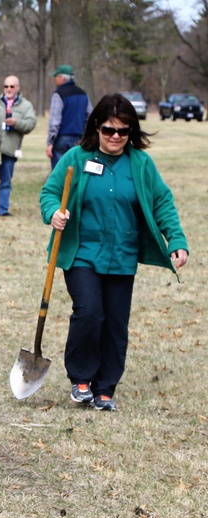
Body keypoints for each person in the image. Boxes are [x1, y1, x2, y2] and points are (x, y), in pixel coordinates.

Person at [40, 94, 189, 412]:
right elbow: (50, 192)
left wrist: (176, 240)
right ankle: (81, 379)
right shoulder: (77, 158)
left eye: (123, 131)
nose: (116, 137)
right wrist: (53, 211)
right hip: (82, 253)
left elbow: (162, 201)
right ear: (97, 126)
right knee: (90, 313)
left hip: (122, 255)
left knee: (115, 323)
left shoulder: (141, 164)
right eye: (109, 130)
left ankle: (105, 388)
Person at [0, 75, 37, 217]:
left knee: (6, 182)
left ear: (18, 88)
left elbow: (31, 123)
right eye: (6, 86)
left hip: (10, 149)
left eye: (12, 86)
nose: (8, 89)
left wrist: (16, 123)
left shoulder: (25, 105)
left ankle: (2, 210)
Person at [46, 65, 92, 169]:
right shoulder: (83, 94)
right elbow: (90, 116)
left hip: (61, 139)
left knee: (60, 172)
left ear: (62, 78)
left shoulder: (58, 94)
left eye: (56, 76)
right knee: (77, 170)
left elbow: (55, 121)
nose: (55, 79)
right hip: (79, 139)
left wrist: (50, 142)